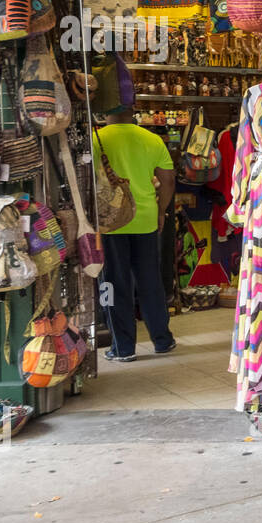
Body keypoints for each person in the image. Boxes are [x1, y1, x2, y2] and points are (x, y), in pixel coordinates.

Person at [96, 110, 177, 362]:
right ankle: (162, 340)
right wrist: (161, 210)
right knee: (150, 281)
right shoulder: (152, 139)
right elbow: (168, 180)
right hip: (145, 219)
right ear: (133, 111)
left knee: (114, 282)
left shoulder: (95, 138)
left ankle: (122, 347)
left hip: (111, 223)